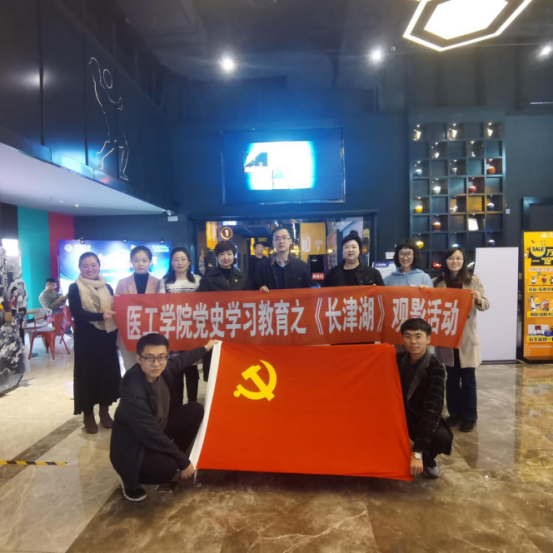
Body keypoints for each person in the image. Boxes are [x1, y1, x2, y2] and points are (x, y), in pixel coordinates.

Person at [110, 333, 217, 502]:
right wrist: (183, 462)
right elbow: (151, 434)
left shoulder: (162, 369)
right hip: (133, 445)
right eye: (149, 358)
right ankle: (129, 479)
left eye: (161, 357)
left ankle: (173, 454)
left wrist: (206, 347)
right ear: (139, 359)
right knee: (167, 469)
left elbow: (183, 360)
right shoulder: (133, 392)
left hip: (155, 429)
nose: (156, 363)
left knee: (195, 409)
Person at [433, 247, 490, 433]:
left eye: (458, 258)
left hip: (466, 337)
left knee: (468, 379)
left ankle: (469, 416)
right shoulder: (437, 282)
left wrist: (479, 299)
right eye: (451, 258)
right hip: (447, 336)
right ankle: (454, 414)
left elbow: (486, 305)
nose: (455, 261)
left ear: (464, 261)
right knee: (451, 378)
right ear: (445, 261)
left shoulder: (473, 281)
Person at [68, 252, 120, 434]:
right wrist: (100, 316)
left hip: (106, 338)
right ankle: (88, 415)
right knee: (87, 376)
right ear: (79, 268)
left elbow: (115, 309)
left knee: (107, 375)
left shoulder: (108, 287)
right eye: (85, 265)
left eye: (93, 265)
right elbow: (77, 312)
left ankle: (105, 412)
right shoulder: (75, 287)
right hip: (86, 340)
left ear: (99, 266)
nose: (90, 269)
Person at [397, 318, 453, 479]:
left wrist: (418, 452)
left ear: (428, 339)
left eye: (418, 336)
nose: (413, 341)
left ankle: (428, 459)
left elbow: (432, 410)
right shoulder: (397, 360)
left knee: (441, 438)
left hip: (418, 417)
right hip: (396, 415)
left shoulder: (436, 368)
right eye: (408, 336)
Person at [158, 247, 202, 402]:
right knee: (175, 368)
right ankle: (177, 406)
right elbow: (161, 304)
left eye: (183, 259)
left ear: (189, 262)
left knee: (191, 368)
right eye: (176, 259)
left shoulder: (197, 280)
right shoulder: (164, 281)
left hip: (192, 330)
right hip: (172, 330)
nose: (180, 263)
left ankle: (192, 403)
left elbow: (204, 303)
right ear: (171, 262)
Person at [115, 246, 160, 370]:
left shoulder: (158, 283)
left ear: (150, 262)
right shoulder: (122, 283)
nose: (140, 264)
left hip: (151, 333)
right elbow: (117, 308)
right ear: (131, 262)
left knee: (151, 370)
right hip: (128, 333)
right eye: (136, 260)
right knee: (131, 369)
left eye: (144, 260)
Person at [254, 227, 311, 291]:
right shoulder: (262, 267)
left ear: (290, 241)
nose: (281, 241)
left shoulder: (302, 266)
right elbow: (254, 289)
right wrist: (259, 290)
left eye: (284, 238)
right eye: (277, 239)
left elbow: (307, 292)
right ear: (273, 243)